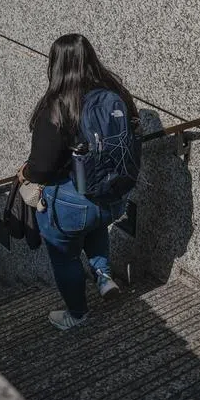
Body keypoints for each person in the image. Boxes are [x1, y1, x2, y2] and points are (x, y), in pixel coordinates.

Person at [19, 34, 140, 331]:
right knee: (95, 225)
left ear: (56, 65)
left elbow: (42, 169)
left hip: (74, 203)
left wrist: (24, 174)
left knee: (64, 256)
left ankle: (77, 314)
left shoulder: (58, 106)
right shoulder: (116, 93)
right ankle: (102, 275)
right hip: (114, 196)